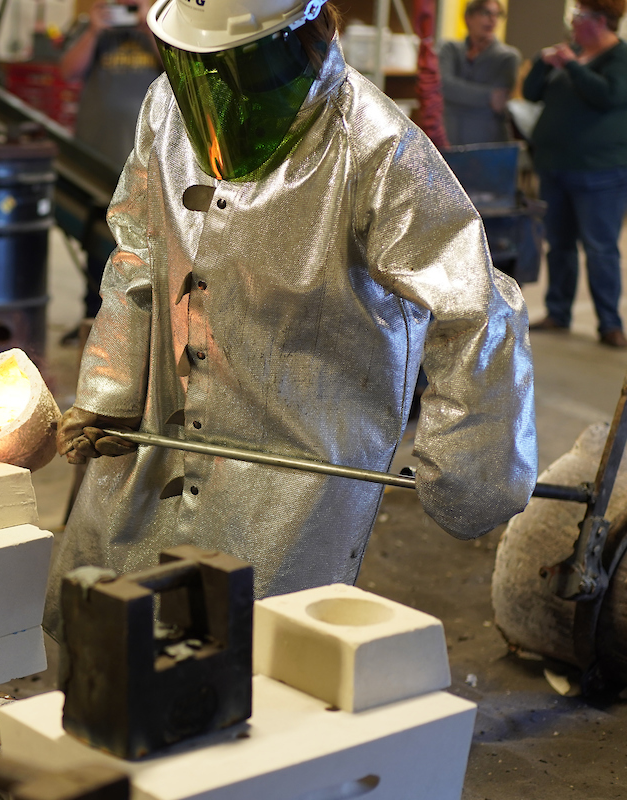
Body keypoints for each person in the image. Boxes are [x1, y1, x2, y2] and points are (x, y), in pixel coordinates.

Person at [47, 0, 537, 632]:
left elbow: (475, 307)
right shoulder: (168, 107)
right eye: (203, 67)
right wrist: (109, 393)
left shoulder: (375, 145)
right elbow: (138, 251)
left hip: (292, 472)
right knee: (110, 624)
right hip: (161, 433)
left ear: (300, 37)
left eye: (236, 66)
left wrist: (468, 470)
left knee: (256, 656)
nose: (217, 87)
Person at [523, 0, 627, 348]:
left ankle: (610, 324)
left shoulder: (619, 59)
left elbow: (609, 96)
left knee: (600, 248)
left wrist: (573, 65)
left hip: (599, 172)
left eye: (579, 18)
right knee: (559, 245)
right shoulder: (570, 54)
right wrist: (542, 62)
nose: (573, 25)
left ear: (600, 21)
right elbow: (531, 92)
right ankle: (558, 311)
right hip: (554, 167)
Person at [61, 0, 163, 329]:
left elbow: (174, 69)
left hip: (148, 159)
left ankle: (141, 324)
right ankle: (92, 320)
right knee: (97, 238)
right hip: (97, 155)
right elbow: (67, 71)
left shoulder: (163, 26)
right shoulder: (95, 26)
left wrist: (149, 25)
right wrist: (93, 30)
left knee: (146, 240)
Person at [438, 0, 521, 145]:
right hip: (451, 141)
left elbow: (499, 103)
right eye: (485, 13)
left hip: (488, 144)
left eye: (497, 15)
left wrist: (456, 95)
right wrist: (488, 95)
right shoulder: (449, 49)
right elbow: (443, 86)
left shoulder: (507, 57)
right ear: (468, 17)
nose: (492, 20)